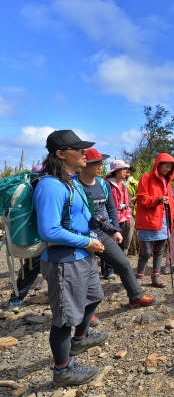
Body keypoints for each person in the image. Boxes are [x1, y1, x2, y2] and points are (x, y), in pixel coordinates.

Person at [34, 130, 108, 386]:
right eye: (78, 149)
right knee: (65, 319)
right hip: (63, 261)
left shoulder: (72, 181)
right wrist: (87, 241)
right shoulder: (51, 185)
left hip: (82, 256)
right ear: (60, 154)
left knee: (93, 297)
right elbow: (49, 230)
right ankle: (62, 371)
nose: (84, 153)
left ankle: (80, 338)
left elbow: (81, 216)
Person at [77, 149, 156, 308]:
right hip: (81, 235)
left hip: (102, 231)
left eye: (101, 163)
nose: (100, 166)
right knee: (84, 273)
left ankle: (135, 296)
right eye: (95, 163)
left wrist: (115, 230)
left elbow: (111, 208)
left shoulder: (103, 184)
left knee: (123, 263)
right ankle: (83, 312)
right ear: (84, 164)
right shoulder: (74, 185)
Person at [6, 164, 44, 314]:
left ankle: (16, 299)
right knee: (32, 266)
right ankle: (16, 298)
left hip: (39, 235)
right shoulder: (32, 192)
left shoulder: (32, 190)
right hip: (39, 236)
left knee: (31, 266)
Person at [135, 153, 174, 288]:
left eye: (170, 167)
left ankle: (156, 276)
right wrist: (158, 200)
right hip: (149, 219)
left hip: (163, 219)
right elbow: (142, 199)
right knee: (146, 251)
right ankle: (139, 276)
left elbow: (171, 202)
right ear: (158, 164)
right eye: (166, 166)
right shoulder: (146, 178)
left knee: (159, 250)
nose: (168, 169)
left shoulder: (167, 181)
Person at [121, 168, 138, 255]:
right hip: (118, 210)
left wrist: (136, 196)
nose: (126, 171)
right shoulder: (115, 181)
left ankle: (125, 250)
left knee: (130, 226)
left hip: (130, 210)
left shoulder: (134, 183)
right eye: (124, 169)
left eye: (128, 170)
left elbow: (142, 193)